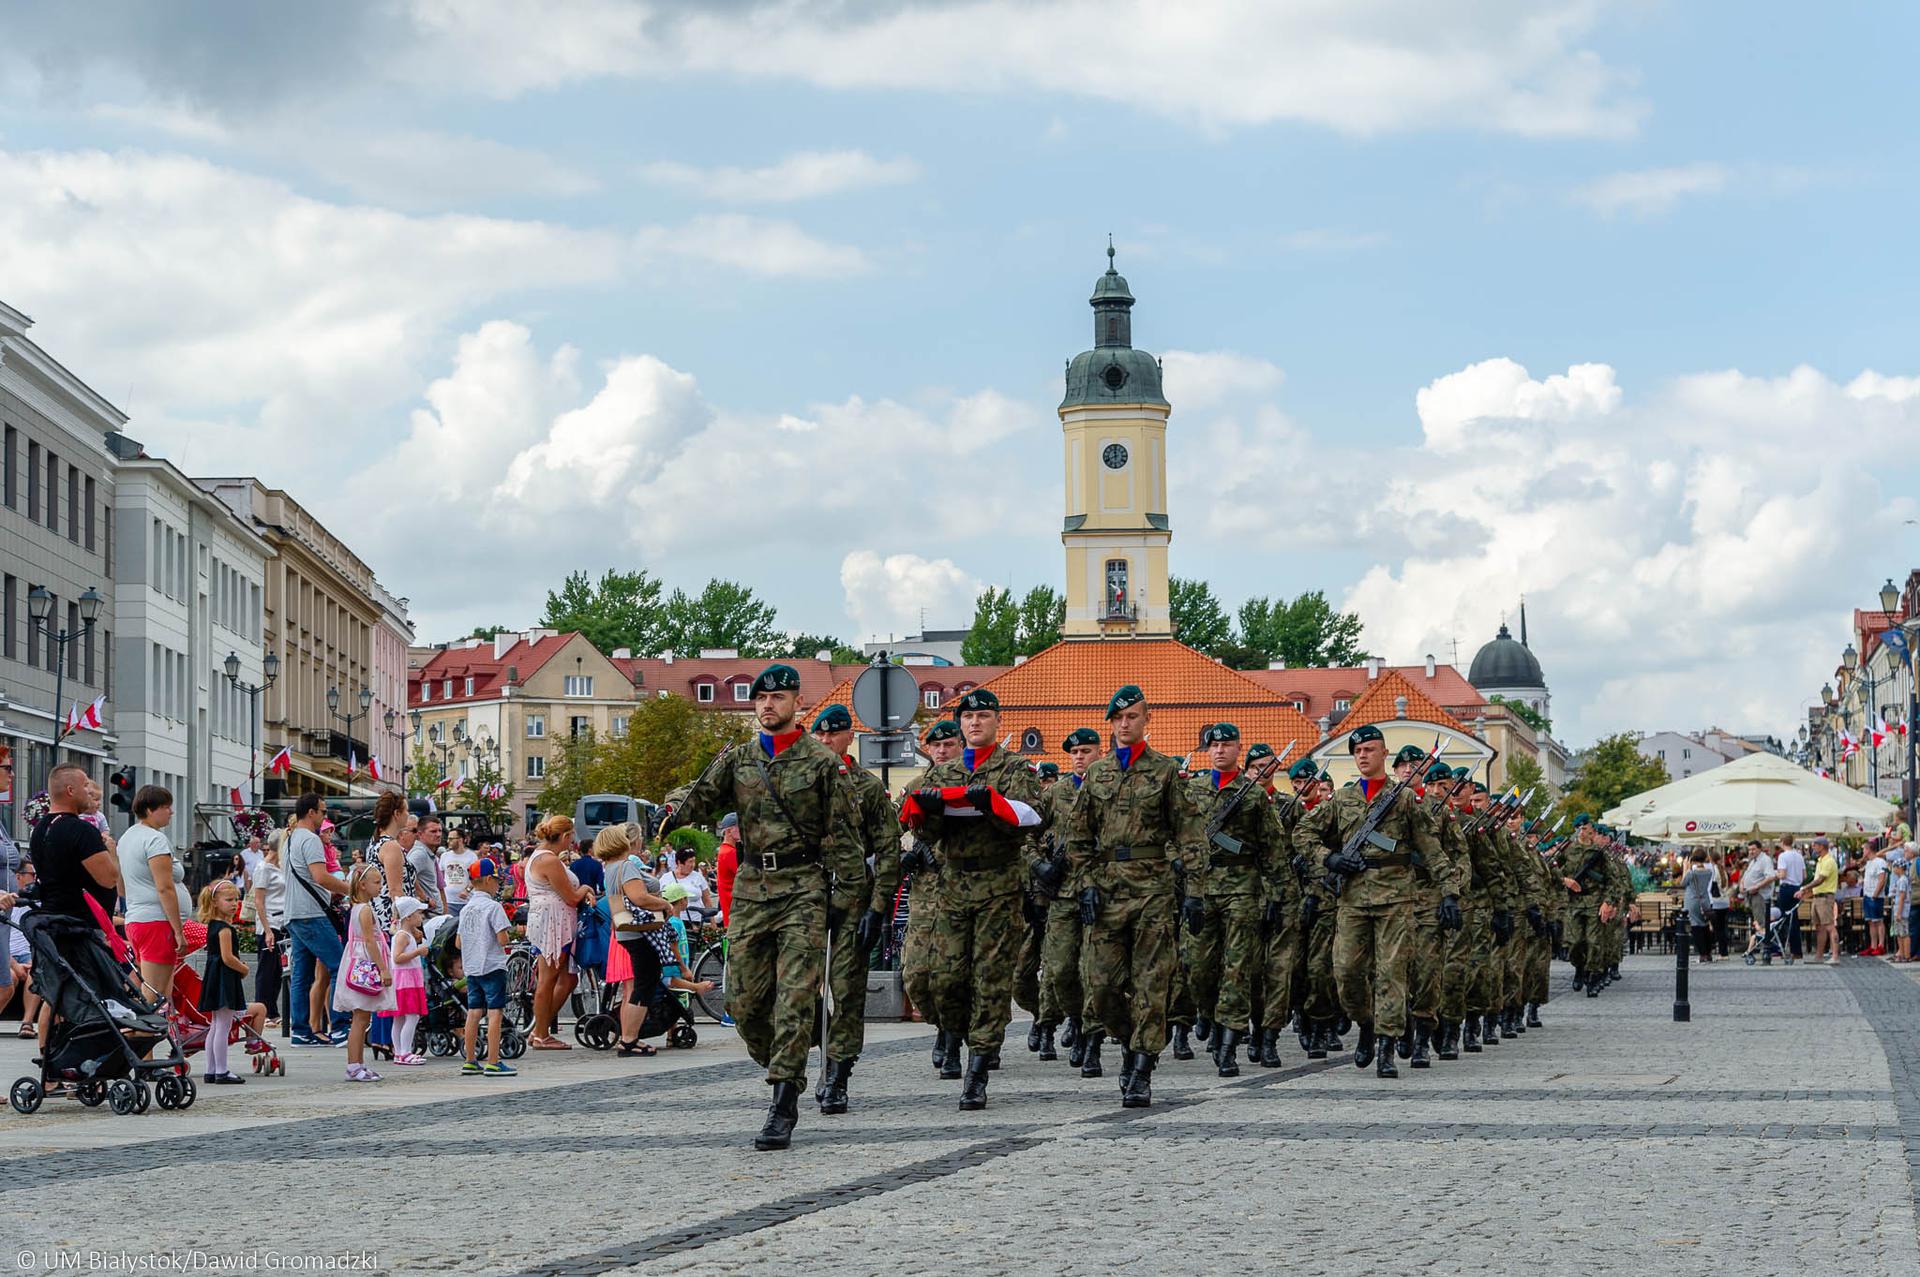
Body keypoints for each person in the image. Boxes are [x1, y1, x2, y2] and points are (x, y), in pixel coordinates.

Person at [658, 662, 854, 1151]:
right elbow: (699, 796)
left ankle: (784, 1099)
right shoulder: (740, 759)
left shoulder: (820, 763)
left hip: (804, 887)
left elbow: (844, 837)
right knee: (742, 1001)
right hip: (751, 887)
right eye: (761, 698)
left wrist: (846, 899)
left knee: (794, 997)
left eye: (778, 698)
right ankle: (789, 1053)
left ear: (796, 704)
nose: (768, 705)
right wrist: (670, 809)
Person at [1063, 685, 1204, 1107]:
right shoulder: (1097, 773)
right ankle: (1129, 1039)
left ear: (1146, 720)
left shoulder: (1164, 772)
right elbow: (1077, 834)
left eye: (1133, 717)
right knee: (1101, 986)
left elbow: (1190, 833)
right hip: (1106, 890)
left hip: (1153, 889)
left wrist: (1194, 891)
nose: (1125, 724)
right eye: (1119, 719)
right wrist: (1085, 883)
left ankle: (1142, 1065)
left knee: (1152, 983)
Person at [904, 688, 1041, 1112]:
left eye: (983, 716)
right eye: (968, 717)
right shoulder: (942, 775)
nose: (975, 723)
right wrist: (925, 816)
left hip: (998, 887)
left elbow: (1032, 818)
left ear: (997, 721)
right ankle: (959, 1034)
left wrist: (995, 805)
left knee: (990, 979)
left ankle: (978, 1068)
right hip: (952, 888)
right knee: (942, 979)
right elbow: (924, 830)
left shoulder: (1015, 769)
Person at [1293, 723, 1451, 1080]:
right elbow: (1303, 833)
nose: (1362, 756)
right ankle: (1365, 1022)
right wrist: (1328, 858)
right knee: (1346, 973)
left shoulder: (1405, 799)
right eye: (1357, 752)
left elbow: (1431, 848)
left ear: (1384, 754)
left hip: (1396, 898)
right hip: (1351, 899)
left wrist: (1450, 892)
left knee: (1391, 974)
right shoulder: (1343, 800)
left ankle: (1386, 1045)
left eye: (1369, 750)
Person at [807, 702, 901, 1117]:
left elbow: (888, 851)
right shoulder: (800, 784)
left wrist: (877, 909)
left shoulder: (865, 788)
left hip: (852, 901)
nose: (826, 741)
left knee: (845, 991)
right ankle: (811, 1049)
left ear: (850, 737)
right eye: (820, 735)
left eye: (834, 734)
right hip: (804, 900)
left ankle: (837, 1073)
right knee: (792, 990)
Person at [1033, 728, 1102, 1066]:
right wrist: (1038, 865)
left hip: (1102, 894)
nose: (1079, 758)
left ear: (1099, 753)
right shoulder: (1055, 793)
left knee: (1095, 971)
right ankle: (1074, 1017)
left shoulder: (1109, 789)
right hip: (1062, 893)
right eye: (1074, 753)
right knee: (1059, 970)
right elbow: (1026, 833)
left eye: (1086, 751)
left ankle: (1092, 1038)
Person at [597, 822, 671, 1059]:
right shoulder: (626, 866)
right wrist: (665, 904)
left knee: (641, 982)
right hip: (639, 931)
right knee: (644, 983)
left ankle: (628, 1038)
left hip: (625, 930)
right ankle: (629, 1039)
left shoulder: (609, 867)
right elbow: (639, 897)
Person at [119, 784, 197, 1005]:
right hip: (156, 922)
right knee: (155, 993)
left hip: (137, 919)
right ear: (150, 809)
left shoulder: (127, 837)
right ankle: (135, 1034)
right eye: (166, 807)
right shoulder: (155, 839)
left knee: (158, 990)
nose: (171, 812)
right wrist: (178, 932)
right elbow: (165, 888)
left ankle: (149, 1033)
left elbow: (121, 887)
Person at [284, 793, 351, 1046]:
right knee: (339, 965)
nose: (325, 816)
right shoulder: (311, 840)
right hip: (310, 913)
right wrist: (348, 889)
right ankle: (340, 1027)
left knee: (301, 975)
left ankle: (300, 1030)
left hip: (295, 913)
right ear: (310, 812)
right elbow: (320, 877)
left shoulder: (290, 839)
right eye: (322, 811)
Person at [525, 815, 592, 1049]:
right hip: (553, 923)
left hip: (553, 920)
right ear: (564, 836)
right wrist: (585, 888)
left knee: (567, 978)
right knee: (548, 978)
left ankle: (539, 1029)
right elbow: (571, 897)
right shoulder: (549, 860)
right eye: (571, 837)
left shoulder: (542, 856)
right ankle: (541, 1034)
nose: (572, 842)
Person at [195, 881, 264, 1084]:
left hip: (216, 978)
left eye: (236, 899)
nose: (234, 904)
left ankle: (211, 1069)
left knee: (216, 1025)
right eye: (229, 900)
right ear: (215, 902)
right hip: (224, 979)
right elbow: (227, 957)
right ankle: (222, 1071)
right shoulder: (225, 929)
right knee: (223, 1026)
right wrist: (244, 968)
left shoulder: (213, 926)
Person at [335, 863, 395, 1082]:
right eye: (377, 882)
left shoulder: (358, 907)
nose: (380, 886)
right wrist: (383, 969)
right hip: (365, 965)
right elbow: (370, 940)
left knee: (362, 1017)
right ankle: (353, 1064)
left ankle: (358, 1063)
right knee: (360, 1018)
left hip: (357, 962)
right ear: (362, 885)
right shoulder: (366, 909)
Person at [457, 857, 516, 1076]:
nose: (499, 884)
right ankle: (493, 1060)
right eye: (497, 880)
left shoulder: (466, 910)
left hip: (472, 968)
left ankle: (470, 1059)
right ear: (489, 880)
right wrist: (511, 936)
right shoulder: (494, 907)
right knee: (495, 1013)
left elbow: (458, 942)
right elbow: (502, 940)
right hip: (492, 965)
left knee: (473, 1012)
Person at [384, 897, 430, 1064]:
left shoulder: (403, 934)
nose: (422, 917)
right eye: (418, 913)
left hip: (403, 980)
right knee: (412, 1016)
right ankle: (405, 1051)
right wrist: (418, 952)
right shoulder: (403, 936)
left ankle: (399, 1052)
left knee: (400, 1018)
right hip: (406, 980)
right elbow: (397, 957)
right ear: (409, 917)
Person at [247, 833, 287, 1024]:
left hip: (282, 921)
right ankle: (263, 1008)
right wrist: (267, 929)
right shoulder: (263, 868)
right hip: (269, 922)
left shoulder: (280, 867)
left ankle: (272, 1009)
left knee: (278, 969)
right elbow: (259, 901)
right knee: (267, 969)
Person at [2, 858, 41, 1036]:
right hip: (6, 954)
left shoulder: (36, 901)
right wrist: (14, 965)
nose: (35, 879)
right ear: (19, 876)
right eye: (32, 875)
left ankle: (27, 1023)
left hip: (28, 955)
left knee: (37, 973)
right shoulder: (4, 901)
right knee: (10, 979)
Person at [1737, 840, 1775, 957]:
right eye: (1749, 850)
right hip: (1751, 895)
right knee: (1757, 923)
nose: (1751, 852)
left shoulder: (1765, 860)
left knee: (1761, 923)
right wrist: (1742, 885)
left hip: (1760, 896)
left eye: (1753, 849)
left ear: (1760, 849)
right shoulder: (1753, 861)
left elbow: (1771, 877)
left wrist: (1757, 886)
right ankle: (1758, 948)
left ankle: (1766, 950)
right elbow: (1745, 876)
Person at [1807, 837, 1841, 964]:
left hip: (1825, 897)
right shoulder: (1820, 861)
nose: (1813, 847)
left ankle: (1835, 956)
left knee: (1830, 926)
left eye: (1815, 845)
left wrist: (1805, 887)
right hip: (1817, 897)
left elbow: (1821, 880)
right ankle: (1819, 956)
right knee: (1819, 927)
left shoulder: (1828, 861)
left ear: (1822, 846)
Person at [1773, 836, 1807, 959]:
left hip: (1786, 888)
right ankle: (1796, 950)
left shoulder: (1783, 856)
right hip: (1797, 888)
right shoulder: (1799, 855)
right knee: (1794, 919)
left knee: (1783, 918)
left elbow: (1782, 874)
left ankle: (1781, 948)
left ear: (1782, 842)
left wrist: (1774, 875)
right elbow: (1804, 875)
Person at [1681, 850, 1715, 963]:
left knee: (1696, 927)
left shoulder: (1692, 873)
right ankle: (1709, 952)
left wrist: (1686, 868)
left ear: (1693, 860)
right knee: (1705, 925)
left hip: (1693, 901)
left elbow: (1683, 883)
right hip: (1705, 900)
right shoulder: (1709, 872)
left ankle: (1702, 954)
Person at [410, 817, 447, 915]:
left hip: (434, 914)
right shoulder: (419, 854)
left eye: (440, 831)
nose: (438, 834)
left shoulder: (428, 853)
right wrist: (424, 898)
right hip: (428, 916)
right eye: (433, 831)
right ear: (420, 834)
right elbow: (405, 875)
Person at [441, 827, 478, 917]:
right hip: (449, 901)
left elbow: (476, 877)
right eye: (448, 839)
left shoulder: (471, 856)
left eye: (451, 839)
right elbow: (440, 877)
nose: (448, 841)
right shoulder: (445, 856)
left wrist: (467, 890)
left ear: (461, 840)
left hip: (466, 902)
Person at [1862, 841, 1889, 957]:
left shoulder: (1880, 862)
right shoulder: (1868, 863)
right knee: (1870, 921)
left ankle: (1881, 945)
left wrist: (1875, 894)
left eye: (1864, 849)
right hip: (1867, 895)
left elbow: (1882, 879)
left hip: (1875, 896)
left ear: (1868, 850)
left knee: (1878, 920)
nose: (1863, 852)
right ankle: (1873, 946)